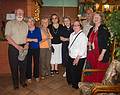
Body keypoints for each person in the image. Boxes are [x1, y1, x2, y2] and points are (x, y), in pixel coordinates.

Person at [5, 8, 28, 89]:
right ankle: (15, 84)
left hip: (23, 47)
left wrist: (26, 45)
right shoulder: (9, 23)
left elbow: (26, 37)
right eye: (18, 12)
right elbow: (7, 36)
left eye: (22, 13)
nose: (20, 14)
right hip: (13, 47)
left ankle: (22, 81)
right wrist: (17, 46)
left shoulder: (25, 24)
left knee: (23, 66)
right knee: (14, 66)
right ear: (15, 13)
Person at [84, 12, 110, 83]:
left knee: (99, 71)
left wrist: (102, 54)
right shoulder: (92, 28)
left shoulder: (104, 29)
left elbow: (106, 44)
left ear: (101, 19)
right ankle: (90, 85)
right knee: (91, 69)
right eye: (94, 17)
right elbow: (88, 39)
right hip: (91, 53)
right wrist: (88, 43)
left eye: (98, 17)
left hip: (100, 53)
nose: (96, 18)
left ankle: (98, 86)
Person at [67, 20, 88, 89]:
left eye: (77, 25)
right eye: (74, 25)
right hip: (71, 55)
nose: (75, 27)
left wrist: (77, 58)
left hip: (79, 57)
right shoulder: (72, 34)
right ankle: (71, 82)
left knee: (77, 72)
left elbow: (83, 48)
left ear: (80, 27)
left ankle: (76, 85)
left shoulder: (83, 36)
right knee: (71, 70)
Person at [25, 17, 42, 83]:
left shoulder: (37, 29)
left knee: (36, 62)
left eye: (32, 21)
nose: (31, 23)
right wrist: (33, 39)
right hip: (28, 48)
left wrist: (29, 39)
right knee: (28, 63)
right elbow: (24, 39)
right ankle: (28, 77)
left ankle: (36, 76)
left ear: (34, 22)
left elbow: (39, 39)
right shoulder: (25, 30)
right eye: (29, 21)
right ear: (27, 22)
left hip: (36, 48)